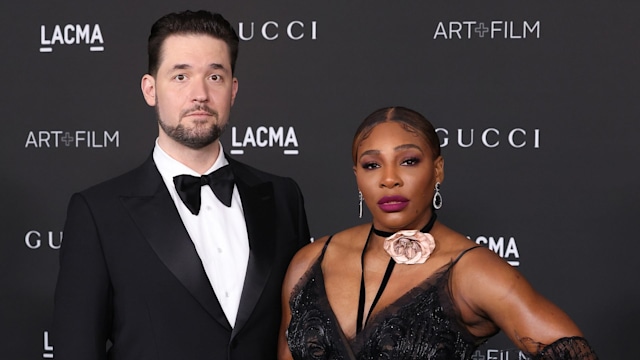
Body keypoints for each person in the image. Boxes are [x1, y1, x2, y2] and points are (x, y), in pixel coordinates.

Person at [53, 10, 310, 360]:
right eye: (180, 76)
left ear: (233, 90)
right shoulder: (98, 212)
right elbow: (77, 348)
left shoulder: (283, 197)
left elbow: (303, 333)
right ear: (150, 89)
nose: (200, 94)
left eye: (215, 76)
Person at [278, 106, 597, 359]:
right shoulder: (310, 261)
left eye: (408, 161)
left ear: (438, 169)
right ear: (357, 176)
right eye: (372, 165)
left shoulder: (469, 269)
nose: (390, 179)